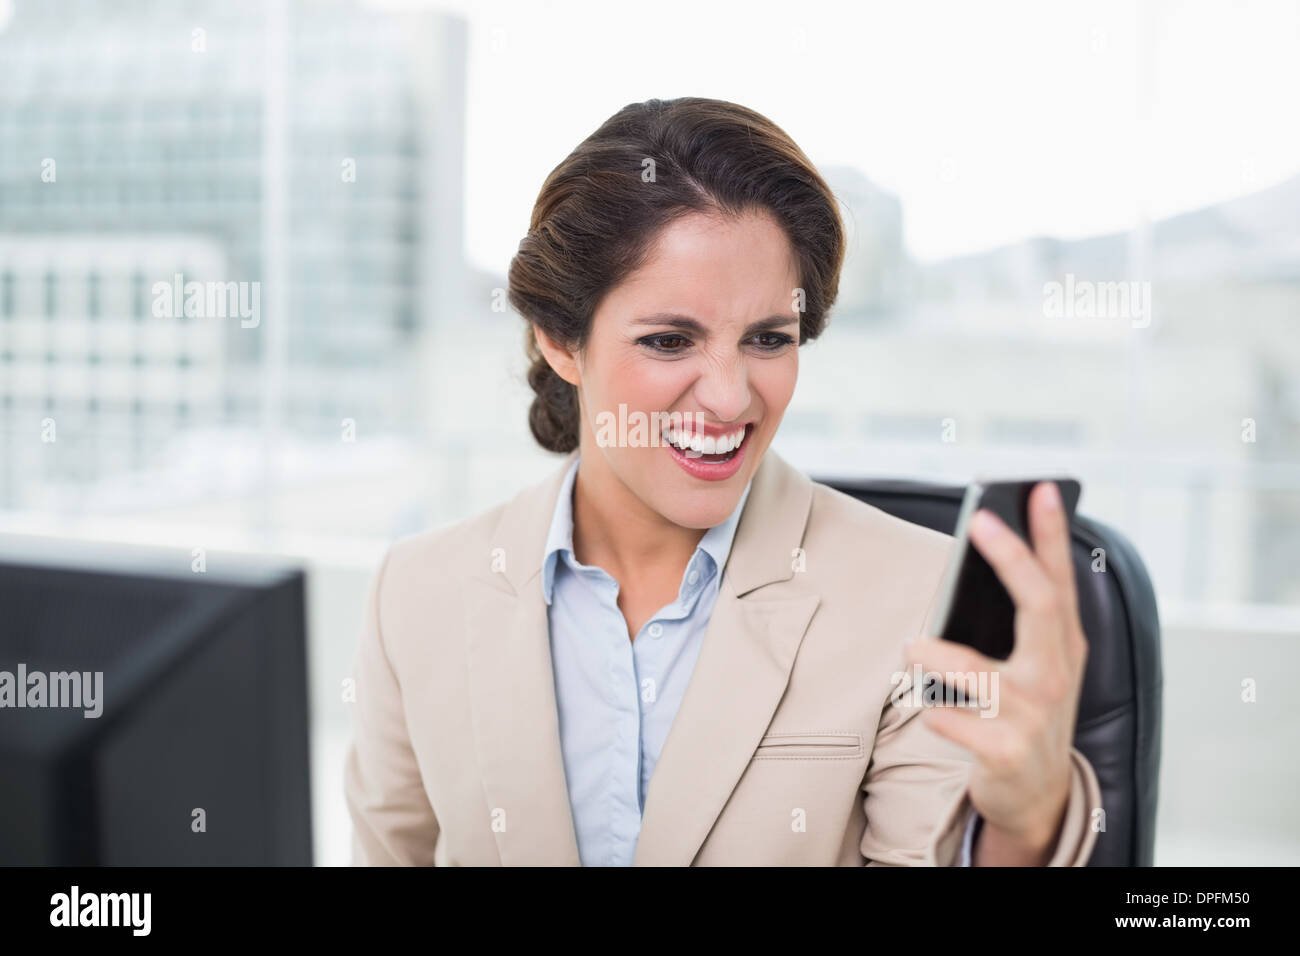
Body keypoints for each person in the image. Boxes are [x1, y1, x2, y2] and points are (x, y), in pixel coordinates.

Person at [343, 96, 1101, 866]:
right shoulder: (418, 593)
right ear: (562, 341)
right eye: (670, 340)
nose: (732, 397)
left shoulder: (915, 595)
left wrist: (1023, 823)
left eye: (768, 339)